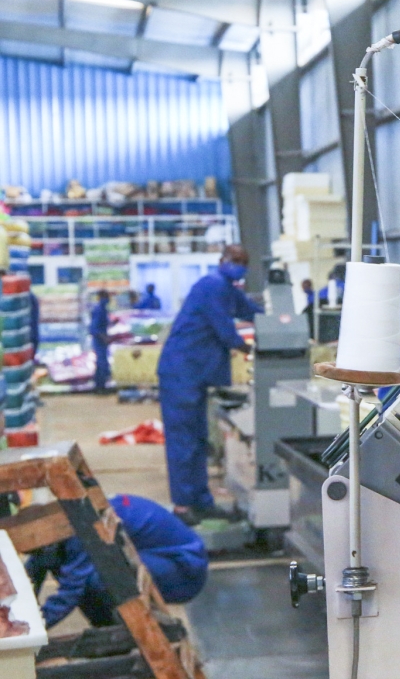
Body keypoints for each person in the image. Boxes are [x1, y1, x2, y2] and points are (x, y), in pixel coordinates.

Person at [158, 245, 261, 523]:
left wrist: (282, 320)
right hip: (181, 372)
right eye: (235, 260)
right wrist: (249, 347)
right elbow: (224, 329)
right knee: (183, 440)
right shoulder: (211, 285)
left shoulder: (227, 288)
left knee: (199, 440)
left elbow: (249, 309)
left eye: (243, 261)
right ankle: (182, 506)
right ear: (222, 261)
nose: (239, 265)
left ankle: (201, 501)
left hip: (196, 375)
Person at [25, 494, 207, 629]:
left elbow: (72, 589)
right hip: (167, 559)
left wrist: (33, 629)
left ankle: (114, 634)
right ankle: (111, 630)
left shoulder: (82, 532)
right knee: (68, 565)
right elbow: (36, 566)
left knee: (93, 580)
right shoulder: (66, 519)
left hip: (184, 572)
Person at [89, 290, 111, 393]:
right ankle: (100, 387)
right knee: (102, 363)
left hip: (100, 340)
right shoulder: (99, 310)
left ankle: (99, 386)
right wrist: (104, 338)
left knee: (100, 363)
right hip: (99, 340)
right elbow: (95, 328)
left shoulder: (101, 309)